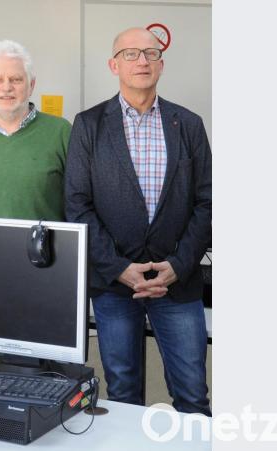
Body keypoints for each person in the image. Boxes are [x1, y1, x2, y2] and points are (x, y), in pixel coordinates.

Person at [64, 27, 212, 415]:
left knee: (193, 395)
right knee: (124, 395)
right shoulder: (88, 125)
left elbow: (207, 202)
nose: (142, 61)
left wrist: (178, 267)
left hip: (177, 287)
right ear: (114, 65)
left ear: (161, 63)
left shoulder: (189, 124)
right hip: (115, 288)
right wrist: (119, 268)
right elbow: (77, 206)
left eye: (150, 53)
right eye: (130, 54)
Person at [0, 40, 71, 222]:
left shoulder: (62, 132)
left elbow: (80, 203)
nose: (6, 87)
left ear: (31, 85)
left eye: (16, 79)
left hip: (46, 250)